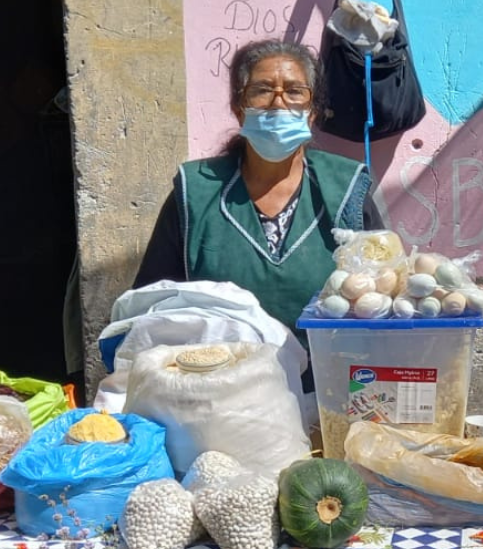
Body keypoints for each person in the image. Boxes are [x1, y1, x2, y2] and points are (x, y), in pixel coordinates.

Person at [133, 39, 385, 334]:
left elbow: (383, 293)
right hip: (224, 372)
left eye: (294, 91)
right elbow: (151, 302)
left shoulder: (345, 188)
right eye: (262, 90)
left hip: (328, 373)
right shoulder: (196, 193)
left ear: (312, 111)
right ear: (238, 108)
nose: (278, 103)